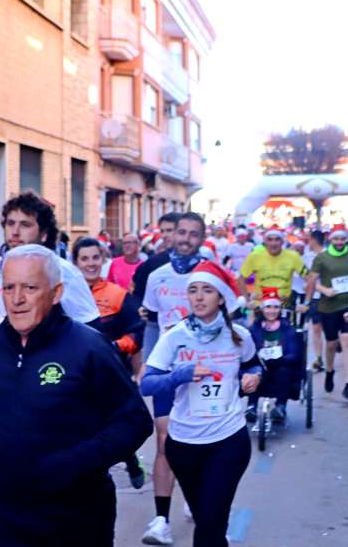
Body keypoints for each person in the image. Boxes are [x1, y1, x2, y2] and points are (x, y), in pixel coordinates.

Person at [0, 245, 153, 546]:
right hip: (11, 511)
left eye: (30, 287)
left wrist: (72, 464)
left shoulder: (89, 347)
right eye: (9, 287)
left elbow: (135, 422)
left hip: (78, 514)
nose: (17, 299)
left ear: (56, 292)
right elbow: (3, 411)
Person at [141, 261, 262, 547]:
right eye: (193, 290)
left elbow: (255, 365)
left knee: (209, 521)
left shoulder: (239, 336)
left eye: (207, 290)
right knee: (208, 520)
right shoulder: (175, 336)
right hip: (184, 443)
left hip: (228, 439)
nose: (198, 297)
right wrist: (180, 375)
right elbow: (147, 384)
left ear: (220, 297)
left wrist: (253, 378)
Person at [130, 211, 208, 545]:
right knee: (165, 441)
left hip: (204, 372)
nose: (186, 238)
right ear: (172, 235)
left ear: (201, 238)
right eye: (181, 232)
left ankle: (196, 498)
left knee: (201, 444)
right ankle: (161, 520)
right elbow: (151, 323)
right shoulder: (157, 275)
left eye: (193, 233)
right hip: (167, 372)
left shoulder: (211, 274)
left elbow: (232, 320)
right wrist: (147, 364)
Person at [74, 236, 147, 490]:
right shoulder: (63, 294)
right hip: (76, 376)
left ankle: (131, 459)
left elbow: (137, 331)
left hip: (113, 373)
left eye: (95, 258)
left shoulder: (117, 295)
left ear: (103, 260)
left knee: (117, 426)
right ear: (76, 263)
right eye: (84, 259)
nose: (91, 264)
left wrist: (115, 346)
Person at [0, 192, 99, 328]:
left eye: (25, 225)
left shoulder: (64, 271)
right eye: (10, 223)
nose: (15, 231)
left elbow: (91, 328)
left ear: (44, 234)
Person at [306, 225, 348, 400]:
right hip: (328, 307)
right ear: (331, 240)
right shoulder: (322, 258)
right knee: (331, 343)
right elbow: (312, 280)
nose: (338, 242)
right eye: (335, 239)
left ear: (346, 240)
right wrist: (324, 290)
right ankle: (329, 371)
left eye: (342, 239)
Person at [247, 292, 303, 424]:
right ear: (262, 309)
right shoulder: (254, 329)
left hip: (281, 366)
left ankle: (280, 406)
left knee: (284, 370)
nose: (272, 311)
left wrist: (279, 360)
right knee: (254, 370)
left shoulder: (288, 329)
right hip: (260, 366)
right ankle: (251, 406)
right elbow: (247, 351)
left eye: (275, 307)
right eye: (268, 307)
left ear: (280, 309)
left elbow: (294, 354)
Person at [238, 228, 308, 309]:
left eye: (277, 239)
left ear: (282, 242)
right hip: (261, 306)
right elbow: (240, 280)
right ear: (265, 242)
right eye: (270, 240)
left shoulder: (293, 256)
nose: (273, 243)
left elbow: (310, 279)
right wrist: (248, 301)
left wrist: (307, 302)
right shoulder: (254, 256)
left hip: (284, 306)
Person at [301, 229, 326, 372]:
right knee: (316, 329)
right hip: (314, 298)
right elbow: (305, 277)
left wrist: (315, 286)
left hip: (328, 297)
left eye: (309, 239)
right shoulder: (307, 256)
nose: (307, 242)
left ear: (314, 240)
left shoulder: (328, 255)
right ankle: (318, 358)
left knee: (327, 329)